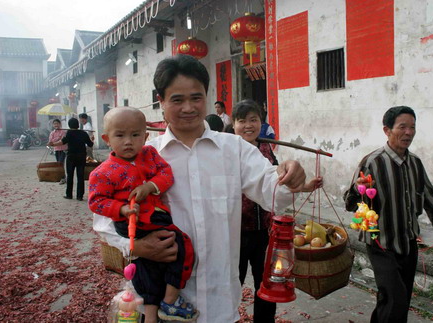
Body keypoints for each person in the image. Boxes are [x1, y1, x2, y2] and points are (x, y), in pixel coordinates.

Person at [93, 54, 307, 323]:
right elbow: (103, 221)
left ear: (207, 96)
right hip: (161, 301)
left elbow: (272, 192)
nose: (188, 108)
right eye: (177, 99)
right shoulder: (143, 158)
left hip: (220, 299)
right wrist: (136, 246)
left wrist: (287, 174)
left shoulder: (234, 149)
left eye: (196, 98)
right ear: (161, 101)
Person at [343, 106, 433, 323]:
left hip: (408, 244)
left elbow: (430, 200)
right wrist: (358, 188)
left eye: (412, 127)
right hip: (381, 243)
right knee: (395, 300)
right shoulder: (372, 162)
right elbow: (350, 203)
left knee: (394, 301)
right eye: (402, 127)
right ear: (387, 130)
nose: (409, 132)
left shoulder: (415, 164)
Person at [88, 107, 197, 322]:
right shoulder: (102, 172)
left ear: (145, 137)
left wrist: (150, 187)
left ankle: (159, 308)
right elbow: (96, 201)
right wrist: (121, 209)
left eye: (135, 135)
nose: (128, 141)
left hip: (154, 217)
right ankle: (164, 304)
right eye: (120, 135)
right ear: (106, 138)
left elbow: (166, 174)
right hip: (133, 221)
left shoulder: (150, 155)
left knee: (158, 260)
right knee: (174, 248)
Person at [232, 99, 321, 322]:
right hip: (235, 232)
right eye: (242, 121)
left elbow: (278, 182)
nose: (248, 126)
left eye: (253, 120)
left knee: (268, 281)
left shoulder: (266, 149)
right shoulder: (227, 151)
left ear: (261, 123)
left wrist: (302, 186)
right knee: (233, 283)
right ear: (233, 125)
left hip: (265, 231)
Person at [48, 118, 93, 201]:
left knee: (70, 176)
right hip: (81, 156)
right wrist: (92, 138)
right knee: (80, 176)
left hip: (71, 156)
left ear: (69, 125)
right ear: (78, 125)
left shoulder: (69, 133)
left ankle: (69, 194)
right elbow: (90, 144)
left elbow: (62, 142)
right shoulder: (83, 133)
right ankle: (80, 196)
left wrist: (53, 144)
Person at [48, 119, 67, 184]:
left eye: (57, 123)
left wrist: (55, 140)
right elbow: (51, 141)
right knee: (58, 164)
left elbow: (62, 140)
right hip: (56, 149)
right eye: (54, 124)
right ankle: (63, 177)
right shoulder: (52, 133)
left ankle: (63, 178)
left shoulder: (63, 132)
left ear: (60, 124)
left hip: (63, 149)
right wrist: (58, 138)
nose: (56, 125)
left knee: (61, 163)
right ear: (53, 125)